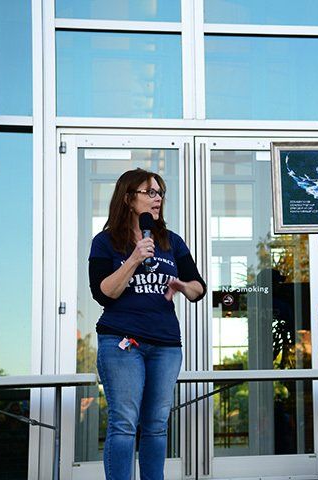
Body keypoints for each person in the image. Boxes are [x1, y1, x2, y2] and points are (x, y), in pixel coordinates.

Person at [88, 168, 206, 480]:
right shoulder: (105, 242)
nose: (157, 199)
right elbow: (103, 292)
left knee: (156, 425)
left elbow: (199, 288)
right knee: (125, 423)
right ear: (129, 199)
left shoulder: (171, 241)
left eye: (160, 193)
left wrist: (182, 286)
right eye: (150, 192)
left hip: (165, 346)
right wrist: (134, 259)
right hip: (122, 342)